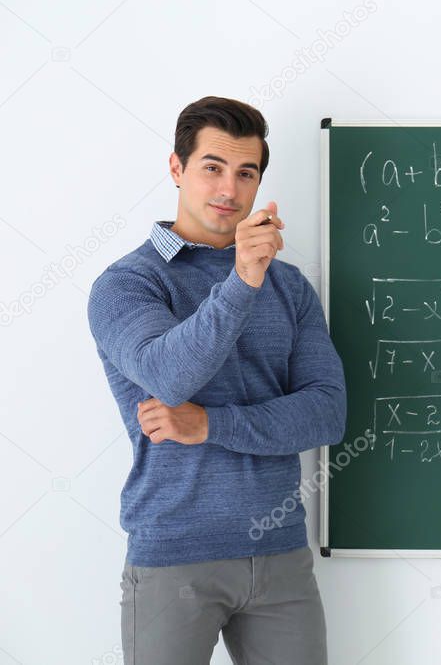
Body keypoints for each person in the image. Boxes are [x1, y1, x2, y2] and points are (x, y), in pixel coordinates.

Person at [87, 95, 345, 665]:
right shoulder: (127, 284)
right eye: (212, 167)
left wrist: (210, 424)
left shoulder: (292, 288)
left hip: (280, 556)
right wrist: (242, 280)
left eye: (245, 173)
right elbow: (167, 375)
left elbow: (326, 413)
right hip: (175, 555)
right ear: (177, 169)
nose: (229, 189)